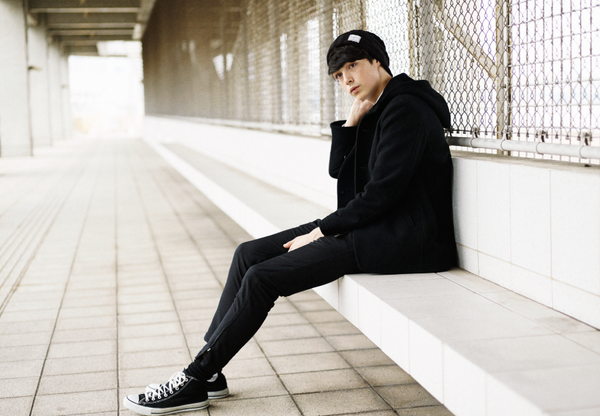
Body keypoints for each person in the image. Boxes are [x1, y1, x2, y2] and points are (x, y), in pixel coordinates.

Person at [123, 29, 456, 415]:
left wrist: (321, 231)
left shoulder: (405, 109)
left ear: (377, 61)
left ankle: (197, 377)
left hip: (405, 238)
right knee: (248, 254)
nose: (346, 79)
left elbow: (380, 194)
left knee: (262, 278)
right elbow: (341, 173)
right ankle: (210, 370)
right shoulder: (377, 106)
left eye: (352, 66)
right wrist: (351, 124)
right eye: (338, 75)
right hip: (375, 226)